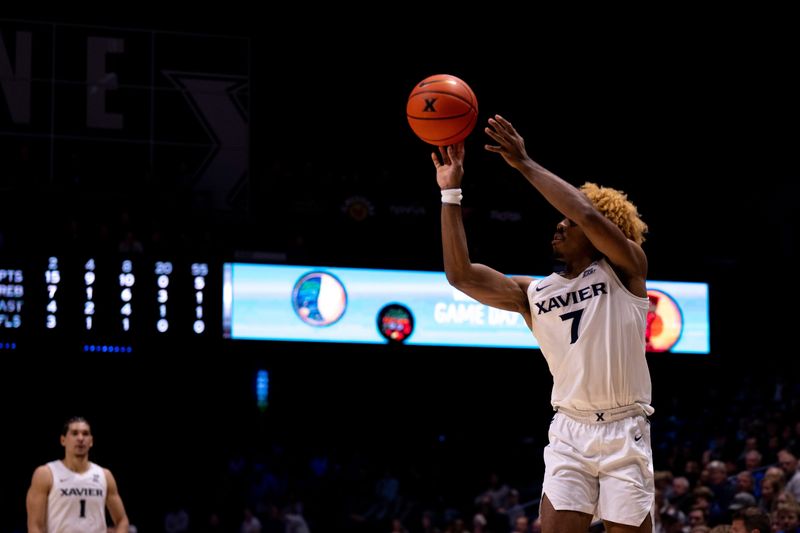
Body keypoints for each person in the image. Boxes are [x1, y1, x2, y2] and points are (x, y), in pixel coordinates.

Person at [432, 114, 653, 532]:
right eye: (561, 221)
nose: (560, 224)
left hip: (626, 429)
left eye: (566, 223)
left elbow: (586, 213)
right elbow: (460, 275)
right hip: (570, 429)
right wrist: (450, 193)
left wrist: (524, 163)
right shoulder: (532, 294)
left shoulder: (627, 270)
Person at [26, 416, 129, 533]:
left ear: (91, 441)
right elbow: (35, 525)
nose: (80, 438)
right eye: (74, 433)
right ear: (63, 440)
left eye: (85, 434)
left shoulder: (105, 475)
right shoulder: (45, 474)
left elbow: (122, 520)